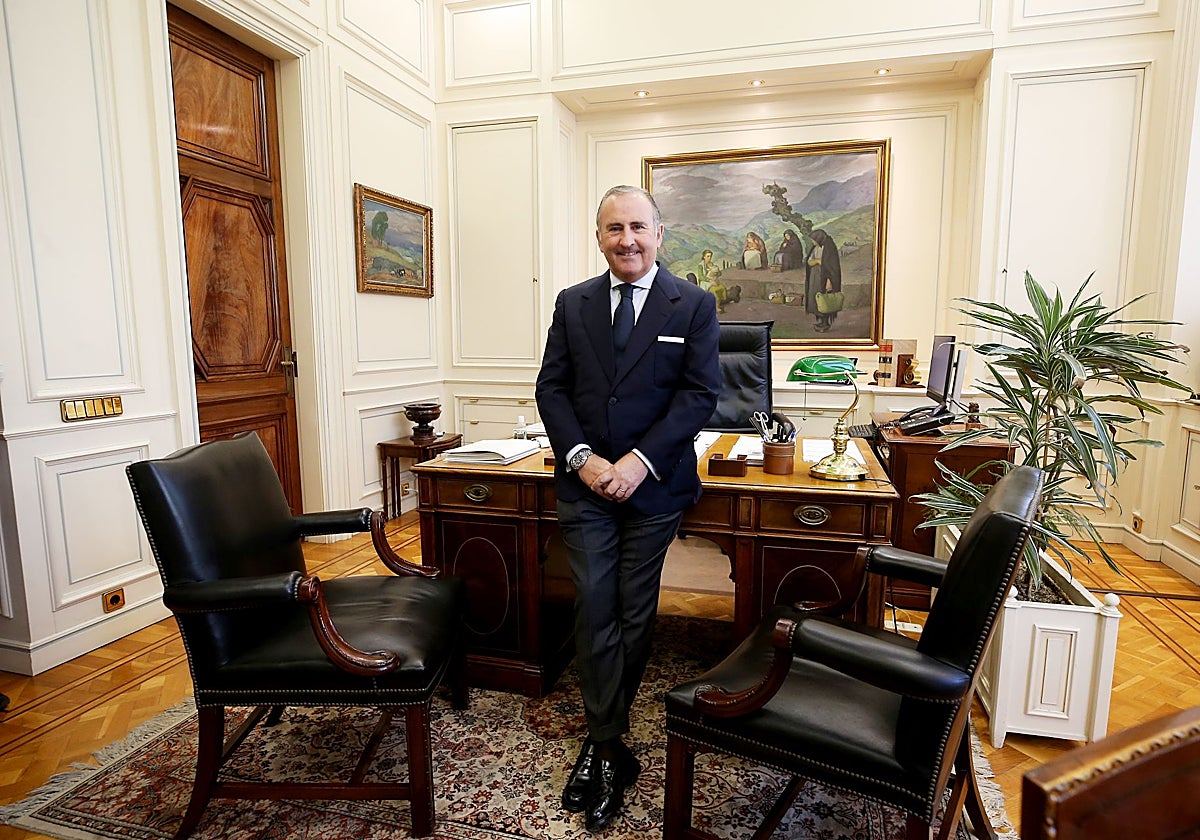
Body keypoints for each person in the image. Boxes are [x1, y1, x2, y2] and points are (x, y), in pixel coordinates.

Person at [535, 185, 720, 833]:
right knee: (593, 605)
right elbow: (552, 388)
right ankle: (609, 744)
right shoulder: (573, 302)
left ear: (659, 234)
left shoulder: (693, 303)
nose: (627, 239)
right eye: (614, 228)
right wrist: (582, 457)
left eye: (638, 227)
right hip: (585, 484)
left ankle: (601, 743)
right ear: (598, 237)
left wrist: (638, 462)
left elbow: (700, 395)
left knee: (633, 612)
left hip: (655, 485)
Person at [805, 228, 842, 332]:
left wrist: (830, 281)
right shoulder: (816, 247)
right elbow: (809, 262)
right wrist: (817, 261)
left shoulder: (830, 248)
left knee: (824, 299)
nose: (812, 242)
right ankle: (821, 321)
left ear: (819, 238)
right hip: (815, 277)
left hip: (825, 278)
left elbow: (832, 267)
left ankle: (825, 323)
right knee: (816, 298)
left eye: (813, 239)